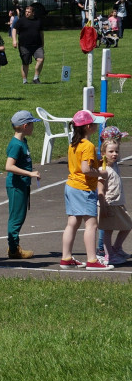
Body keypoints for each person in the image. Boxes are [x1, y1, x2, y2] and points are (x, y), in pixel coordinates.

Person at [60, 110, 110, 269]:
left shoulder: (74, 143)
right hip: (84, 188)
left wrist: (96, 161)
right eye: (94, 123)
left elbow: (76, 164)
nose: (96, 125)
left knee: (72, 222)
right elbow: (85, 169)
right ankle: (92, 260)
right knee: (91, 224)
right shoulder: (88, 145)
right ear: (89, 126)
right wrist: (101, 172)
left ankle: (66, 257)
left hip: (71, 186)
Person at [4, 111, 42, 260]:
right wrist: (30, 174)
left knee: (20, 216)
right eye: (32, 124)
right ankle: (13, 249)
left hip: (22, 184)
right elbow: (9, 166)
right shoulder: (16, 145)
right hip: (16, 185)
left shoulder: (23, 142)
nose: (33, 127)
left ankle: (14, 246)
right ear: (25, 126)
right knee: (16, 218)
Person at [98, 138, 132, 264]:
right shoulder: (104, 170)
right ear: (103, 154)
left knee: (128, 225)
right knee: (108, 230)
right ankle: (109, 256)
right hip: (109, 204)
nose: (114, 154)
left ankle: (116, 248)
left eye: (116, 151)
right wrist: (103, 208)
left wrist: (117, 138)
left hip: (118, 204)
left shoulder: (115, 165)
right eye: (111, 151)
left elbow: (117, 153)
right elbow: (100, 191)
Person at [11, 5, 44, 84]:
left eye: (29, 12)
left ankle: (36, 78)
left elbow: (41, 33)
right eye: (26, 12)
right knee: (26, 63)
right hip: (24, 46)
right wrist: (14, 40)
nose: (27, 13)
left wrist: (43, 43)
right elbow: (14, 29)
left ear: (33, 13)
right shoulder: (21, 21)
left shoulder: (38, 21)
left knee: (41, 59)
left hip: (37, 45)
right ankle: (25, 81)